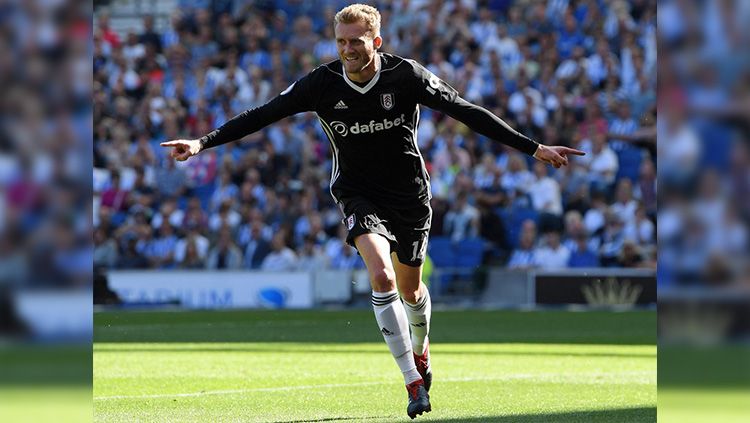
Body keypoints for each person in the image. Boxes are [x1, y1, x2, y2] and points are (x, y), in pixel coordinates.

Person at [161, 4, 583, 419]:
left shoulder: (407, 75)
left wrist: (535, 148)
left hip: (409, 195)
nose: (348, 50)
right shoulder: (320, 84)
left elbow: (465, 110)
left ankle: (421, 349)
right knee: (380, 276)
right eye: (341, 41)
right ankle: (412, 383)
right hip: (356, 192)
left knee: (411, 291)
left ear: (376, 41)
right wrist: (202, 142)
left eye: (357, 41)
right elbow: (263, 113)